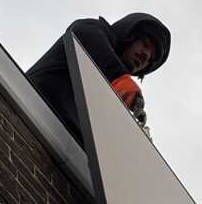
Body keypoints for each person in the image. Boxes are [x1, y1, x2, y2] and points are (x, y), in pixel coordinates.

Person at [26, 13, 171, 145]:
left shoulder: (111, 93)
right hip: (27, 114)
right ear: (129, 36)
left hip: (61, 149)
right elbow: (85, 35)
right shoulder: (93, 29)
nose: (145, 55)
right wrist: (120, 79)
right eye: (145, 44)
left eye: (150, 58)